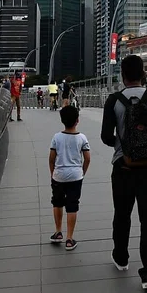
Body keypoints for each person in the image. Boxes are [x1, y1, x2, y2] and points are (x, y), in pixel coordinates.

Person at [101, 54, 147, 291]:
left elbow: (106, 137)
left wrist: (126, 141)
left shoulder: (114, 100)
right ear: (144, 74)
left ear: (123, 75)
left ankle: (121, 258)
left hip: (123, 166)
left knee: (122, 214)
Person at [49, 106, 90, 251]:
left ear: (62, 120)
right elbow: (87, 158)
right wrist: (82, 172)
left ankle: (58, 232)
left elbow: (51, 159)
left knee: (57, 202)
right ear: (77, 120)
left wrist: (53, 173)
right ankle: (69, 239)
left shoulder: (56, 137)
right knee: (72, 205)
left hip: (59, 175)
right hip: (75, 176)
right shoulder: (82, 138)